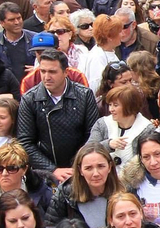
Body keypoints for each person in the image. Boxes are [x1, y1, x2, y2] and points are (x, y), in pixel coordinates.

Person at [18, 49, 100, 184]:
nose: (46, 77)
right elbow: (25, 142)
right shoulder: (29, 99)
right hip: (45, 173)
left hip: (81, 169)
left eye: (52, 72)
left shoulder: (84, 95)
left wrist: (79, 165)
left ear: (66, 72)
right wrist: (52, 169)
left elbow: (93, 135)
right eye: (43, 71)